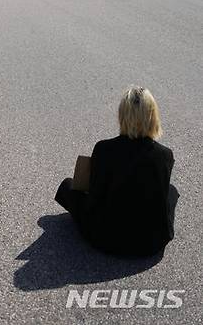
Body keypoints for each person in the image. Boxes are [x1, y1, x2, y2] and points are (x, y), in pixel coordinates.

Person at [55, 86, 179, 257]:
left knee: (67, 187)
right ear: (152, 116)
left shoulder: (104, 149)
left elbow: (95, 196)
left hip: (106, 239)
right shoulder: (164, 155)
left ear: (122, 115)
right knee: (171, 191)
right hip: (152, 242)